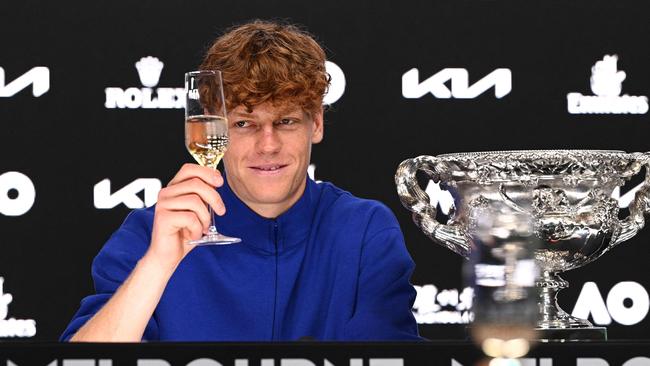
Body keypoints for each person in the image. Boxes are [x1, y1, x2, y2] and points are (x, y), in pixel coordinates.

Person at [61, 20, 420, 341]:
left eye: (286, 121)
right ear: (215, 128)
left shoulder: (365, 230)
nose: (268, 145)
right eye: (244, 123)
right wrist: (157, 264)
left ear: (317, 124)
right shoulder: (151, 232)